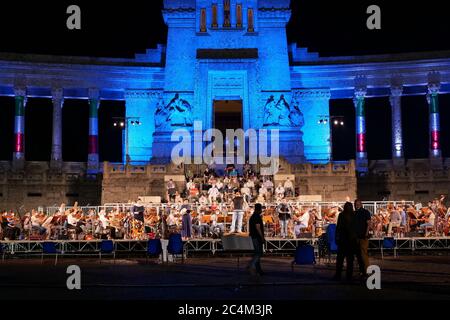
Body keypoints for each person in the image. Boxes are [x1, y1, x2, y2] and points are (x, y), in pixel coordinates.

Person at [332, 202, 357, 282]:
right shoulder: (354, 215)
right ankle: (349, 276)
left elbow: (338, 227)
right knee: (350, 260)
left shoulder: (341, 215)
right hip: (351, 240)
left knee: (340, 259)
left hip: (343, 240)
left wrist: (336, 237)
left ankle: (338, 275)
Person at [354, 199, 372, 278]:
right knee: (359, 255)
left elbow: (368, 224)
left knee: (363, 254)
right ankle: (362, 271)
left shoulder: (365, 212)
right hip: (357, 236)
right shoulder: (355, 213)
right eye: (355, 204)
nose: (356, 205)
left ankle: (367, 271)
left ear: (361, 204)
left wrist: (366, 233)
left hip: (363, 236)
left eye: (358, 204)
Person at [247, 203, 265, 276]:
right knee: (258, 253)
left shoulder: (252, 216)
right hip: (256, 237)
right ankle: (252, 265)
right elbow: (258, 227)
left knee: (257, 253)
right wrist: (262, 237)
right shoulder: (257, 217)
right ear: (259, 209)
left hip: (253, 236)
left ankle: (259, 270)